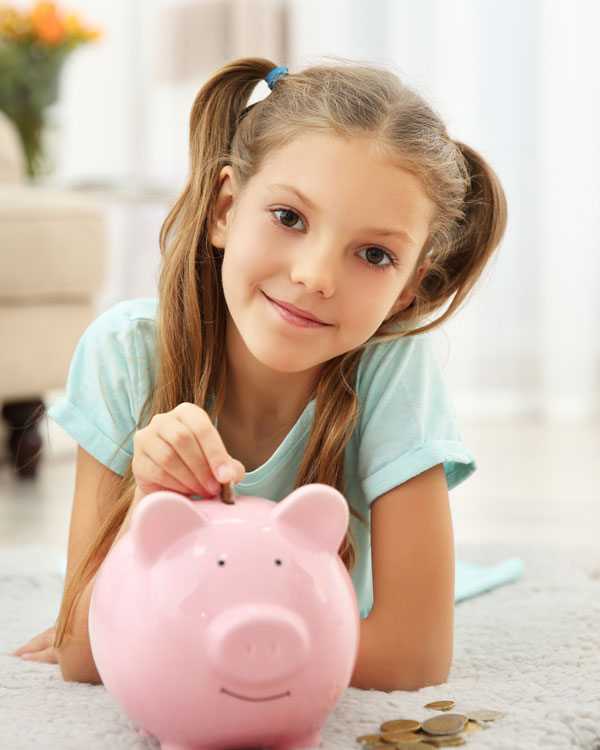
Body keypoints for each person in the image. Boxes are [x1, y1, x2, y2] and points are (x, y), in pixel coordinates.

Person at [12, 57, 507, 691]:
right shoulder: (126, 352)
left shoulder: (391, 371)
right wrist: (151, 494)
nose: (315, 276)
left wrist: (160, 640)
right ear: (224, 208)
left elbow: (413, 658)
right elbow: (83, 655)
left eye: (375, 254)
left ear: (409, 289)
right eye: (290, 218)